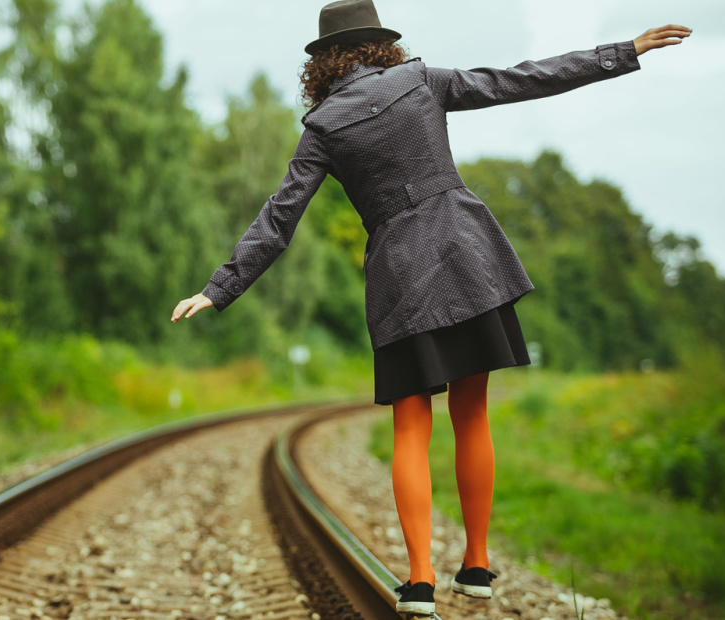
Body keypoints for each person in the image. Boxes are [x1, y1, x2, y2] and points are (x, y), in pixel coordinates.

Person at [170, 0, 690, 616]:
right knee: (472, 416)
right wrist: (622, 51)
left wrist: (218, 287)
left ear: (324, 62)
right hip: (469, 258)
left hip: (399, 278)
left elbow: (279, 219)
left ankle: (420, 580)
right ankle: (476, 565)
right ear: (379, 43)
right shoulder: (420, 80)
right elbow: (518, 80)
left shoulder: (323, 128)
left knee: (411, 428)